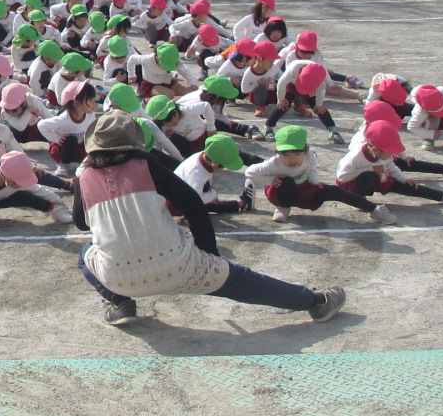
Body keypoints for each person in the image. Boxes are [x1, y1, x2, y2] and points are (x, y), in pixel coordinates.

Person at [74, 111, 347, 326]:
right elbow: (192, 203)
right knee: (245, 282)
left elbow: (81, 223)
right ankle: (315, 302)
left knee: (84, 253)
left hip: (118, 277)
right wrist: (210, 253)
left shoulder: (84, 176)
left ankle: (119, 302)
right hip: (177, 264)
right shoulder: (147, 165)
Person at [243, 124, 392, 224]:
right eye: (285, 154)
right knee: (286, 180)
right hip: (280, 191)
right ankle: (283, 208)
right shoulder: (274, 162)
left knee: (332, 190)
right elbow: (250, 172)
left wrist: (316, 182)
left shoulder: (310, 155)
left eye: (297, 153)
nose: (292, 159)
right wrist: (271, 179)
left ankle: (373, 209)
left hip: (304, 189)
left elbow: (312, 169)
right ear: (278, 152)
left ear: (305, 149)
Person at [0, 151, 71, 228]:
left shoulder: (17, 179)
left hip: (3, 199)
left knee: (26, 196)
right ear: (9, 181)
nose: (24, 184)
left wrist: (58, 201)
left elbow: (38, 189)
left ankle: (55, 210)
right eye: (21, 183)